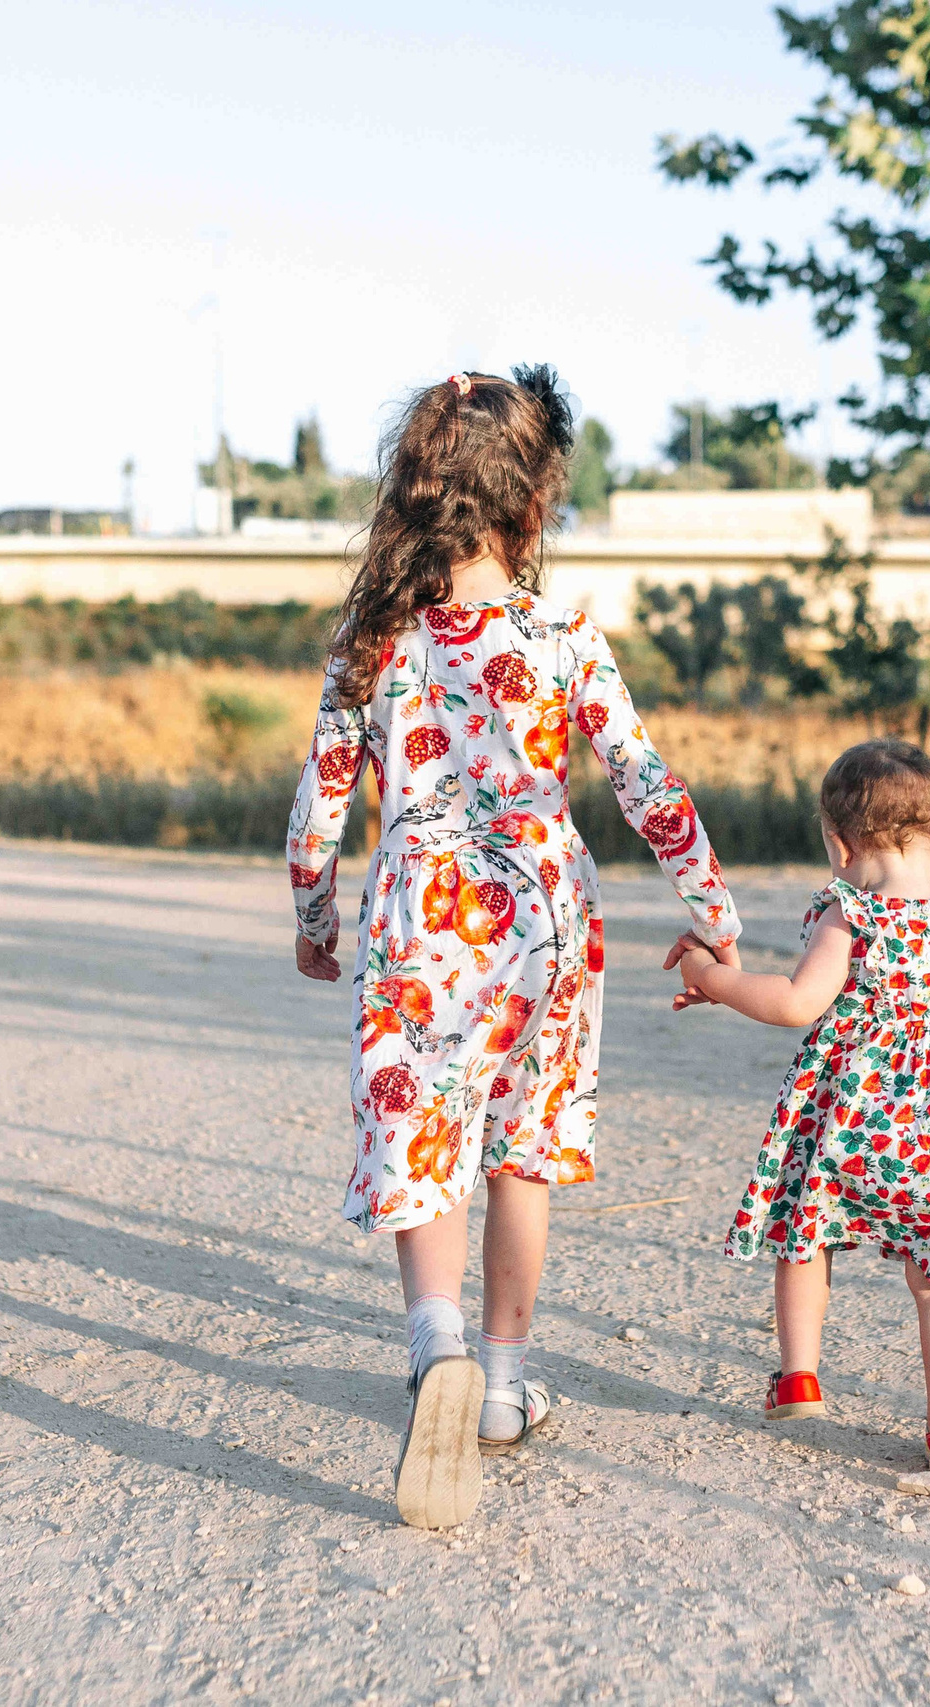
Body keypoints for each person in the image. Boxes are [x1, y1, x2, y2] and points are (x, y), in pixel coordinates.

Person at [286, 366, 741, 1530]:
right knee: (521, 1152)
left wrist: (314, 917)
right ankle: (498, 1379)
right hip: (544, 913)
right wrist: (712, 909)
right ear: (533, 504)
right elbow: (647, 781)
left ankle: (431, 1334)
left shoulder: (374, 641)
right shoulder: (561, 636)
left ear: (409, 493)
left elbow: (319, 805)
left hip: (419, 914)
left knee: (421, 1127)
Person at [669, 739, 930, 1481]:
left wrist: (712, 976)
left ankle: (799, 1374)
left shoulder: (852, 914)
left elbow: (797, 1001)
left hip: (848, 1133)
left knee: (808, 1233)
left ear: (838, 845)